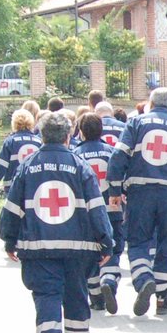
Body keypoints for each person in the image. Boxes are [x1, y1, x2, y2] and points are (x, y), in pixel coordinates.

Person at [0, 111, 115, 333]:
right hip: (78, 249)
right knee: (76, 292)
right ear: (68, 135)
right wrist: (106, 240)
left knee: (46, 295)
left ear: (41, 135)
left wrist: (8, 238)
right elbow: (96, 207)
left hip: (39, 249)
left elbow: (13, 208)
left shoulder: (27, 167)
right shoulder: (80, 166)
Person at [107, 87, 167, 316]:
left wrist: (114, 188)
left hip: (140, 191)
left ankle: (143, 280)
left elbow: (118, 156)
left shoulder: (136, 124)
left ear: (150, 105)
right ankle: (163, 299)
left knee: (138, 239)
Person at [73, 113, 125, 314]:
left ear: (81, 132)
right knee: (113, 249)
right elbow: (121, 181)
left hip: (85, 214)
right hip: (112, 210)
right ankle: (109, 280)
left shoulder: (75, 156)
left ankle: (96, 294)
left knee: (90, 253)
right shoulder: (112, 153)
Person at [0, 110, 41, 193]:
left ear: (14, 123)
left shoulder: (10, 142)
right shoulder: (39, 141)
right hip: (34, 186)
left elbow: (1, 166)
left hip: (13, 187)